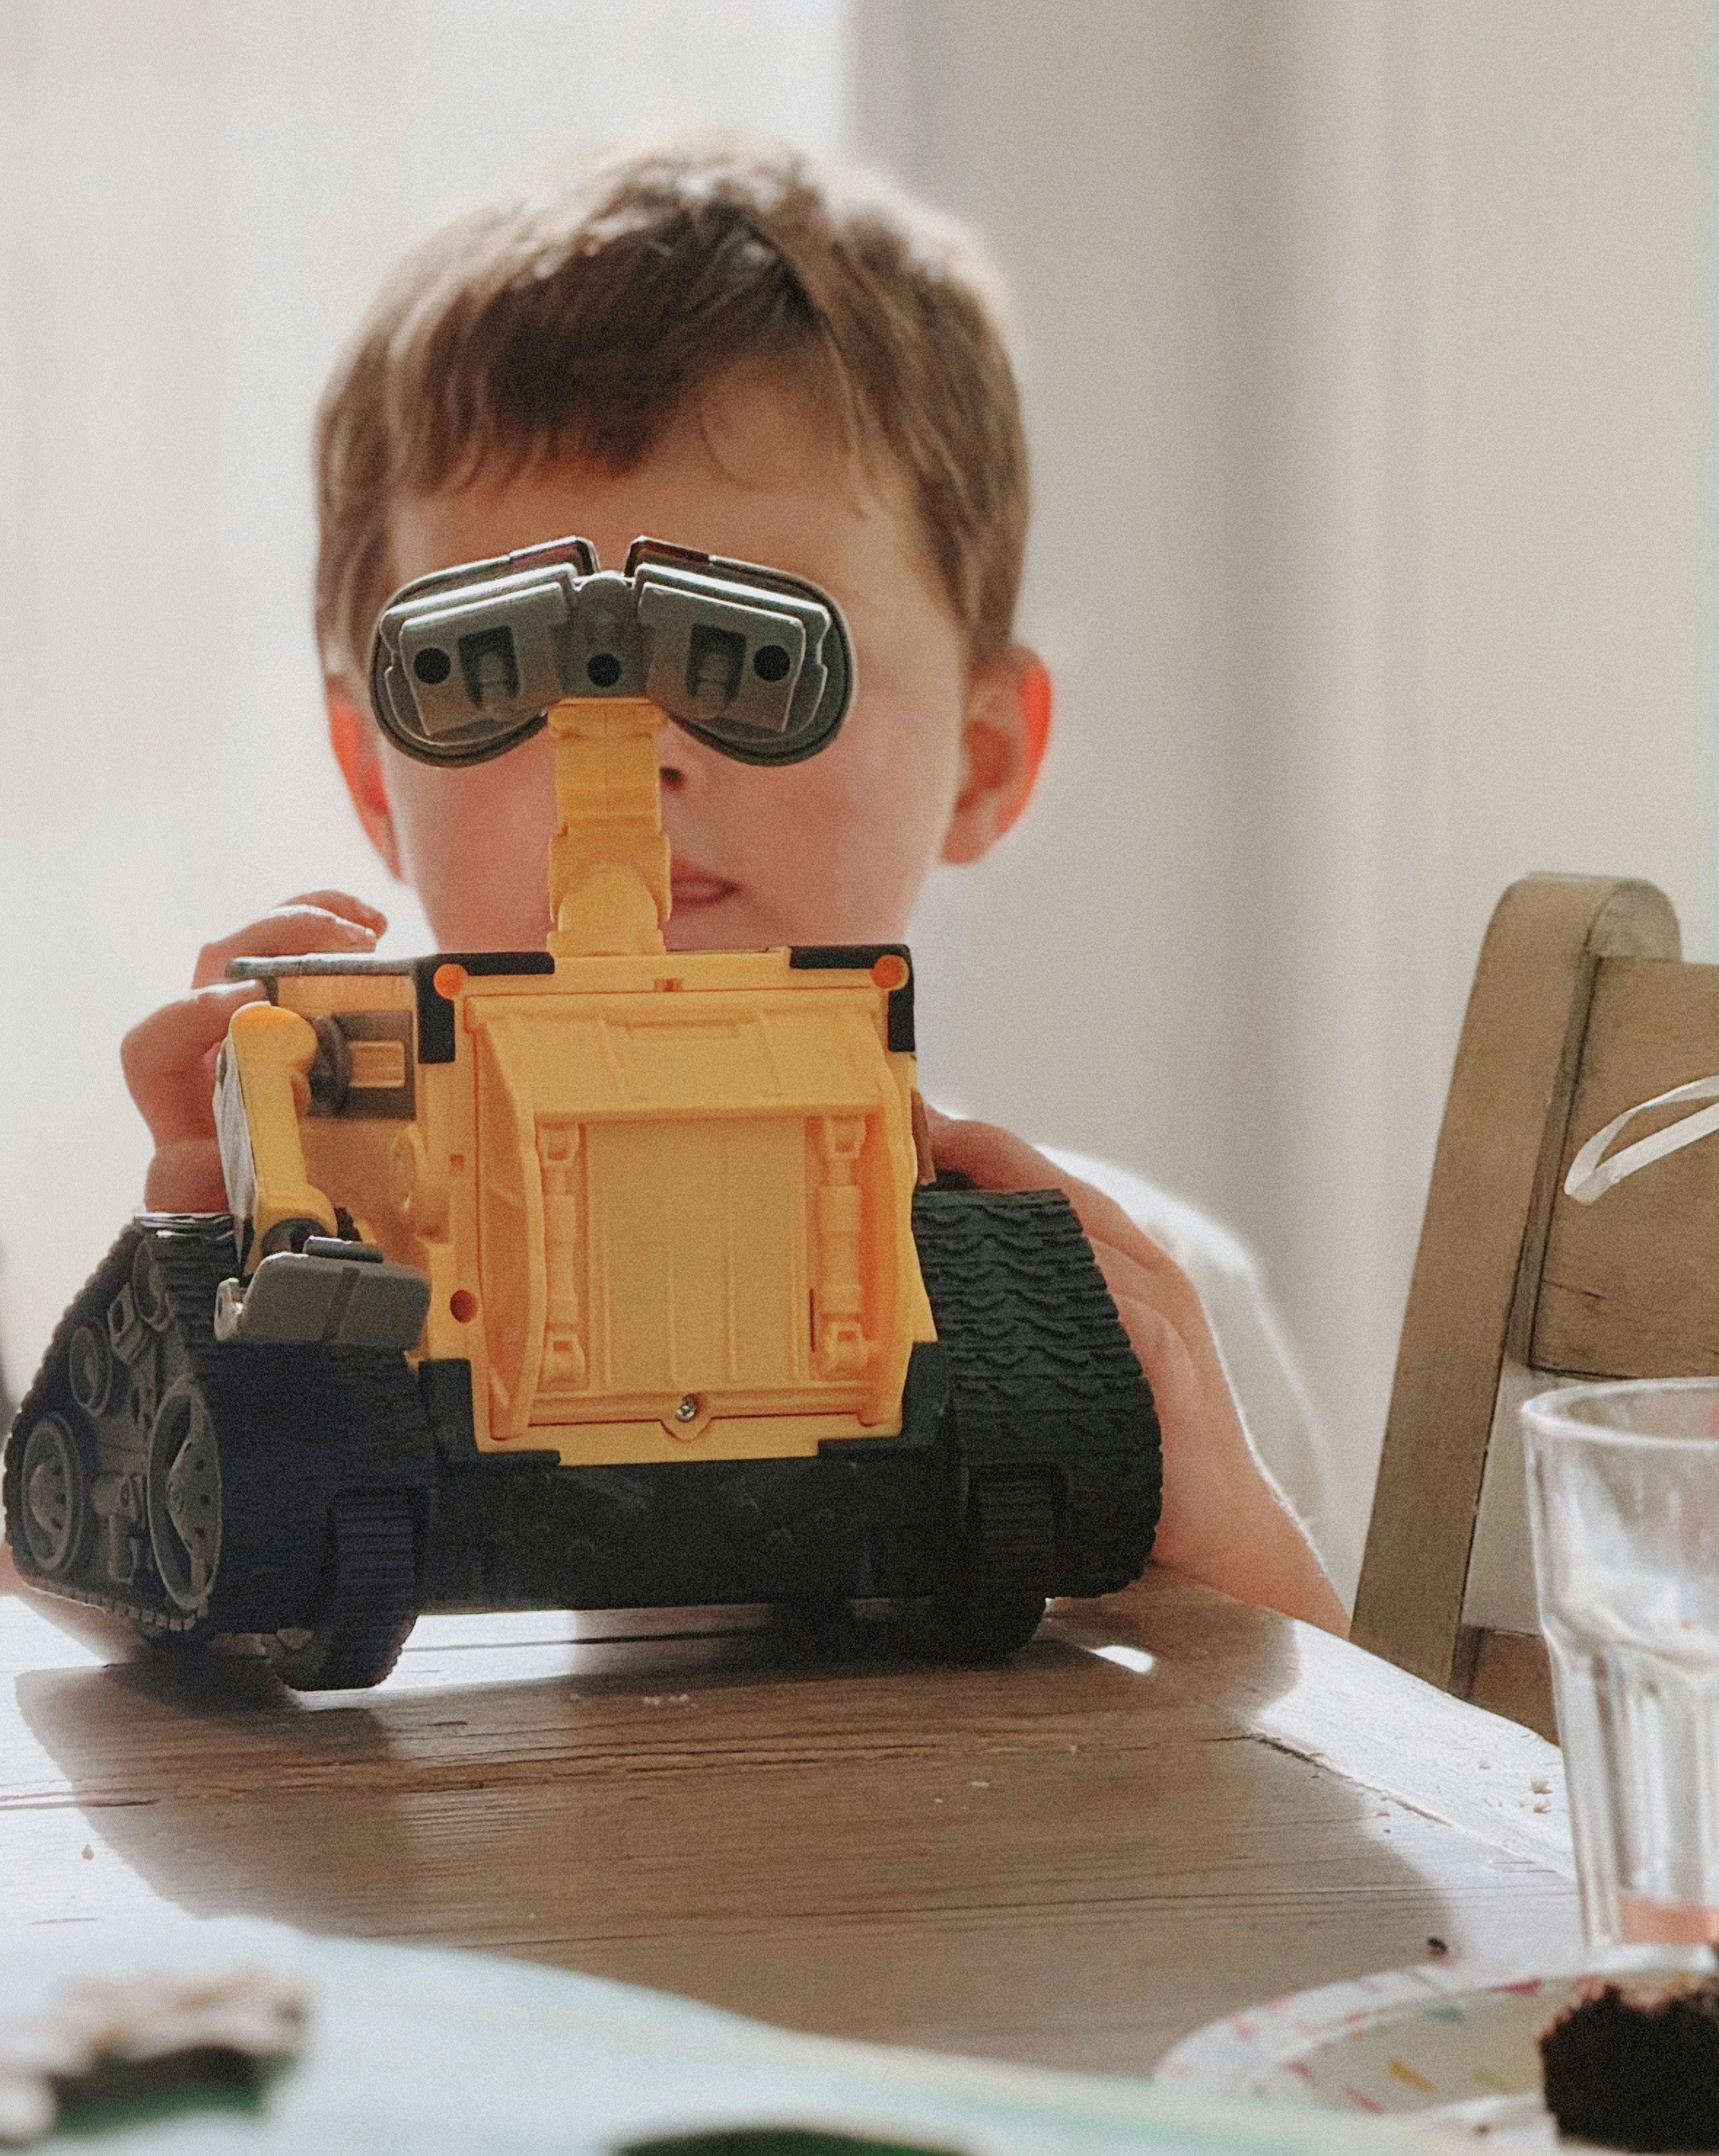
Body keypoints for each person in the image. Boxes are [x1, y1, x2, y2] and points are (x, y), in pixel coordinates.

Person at [116, 132, 1344, 1633]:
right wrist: (200, 1330)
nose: (635, 756)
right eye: (501, 684)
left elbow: (1359, 1796)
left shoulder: (1127, 1302)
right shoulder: (333, 1262)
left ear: (979, 760)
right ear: (381, 775)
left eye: (759, 664)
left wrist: (1223, 1554)